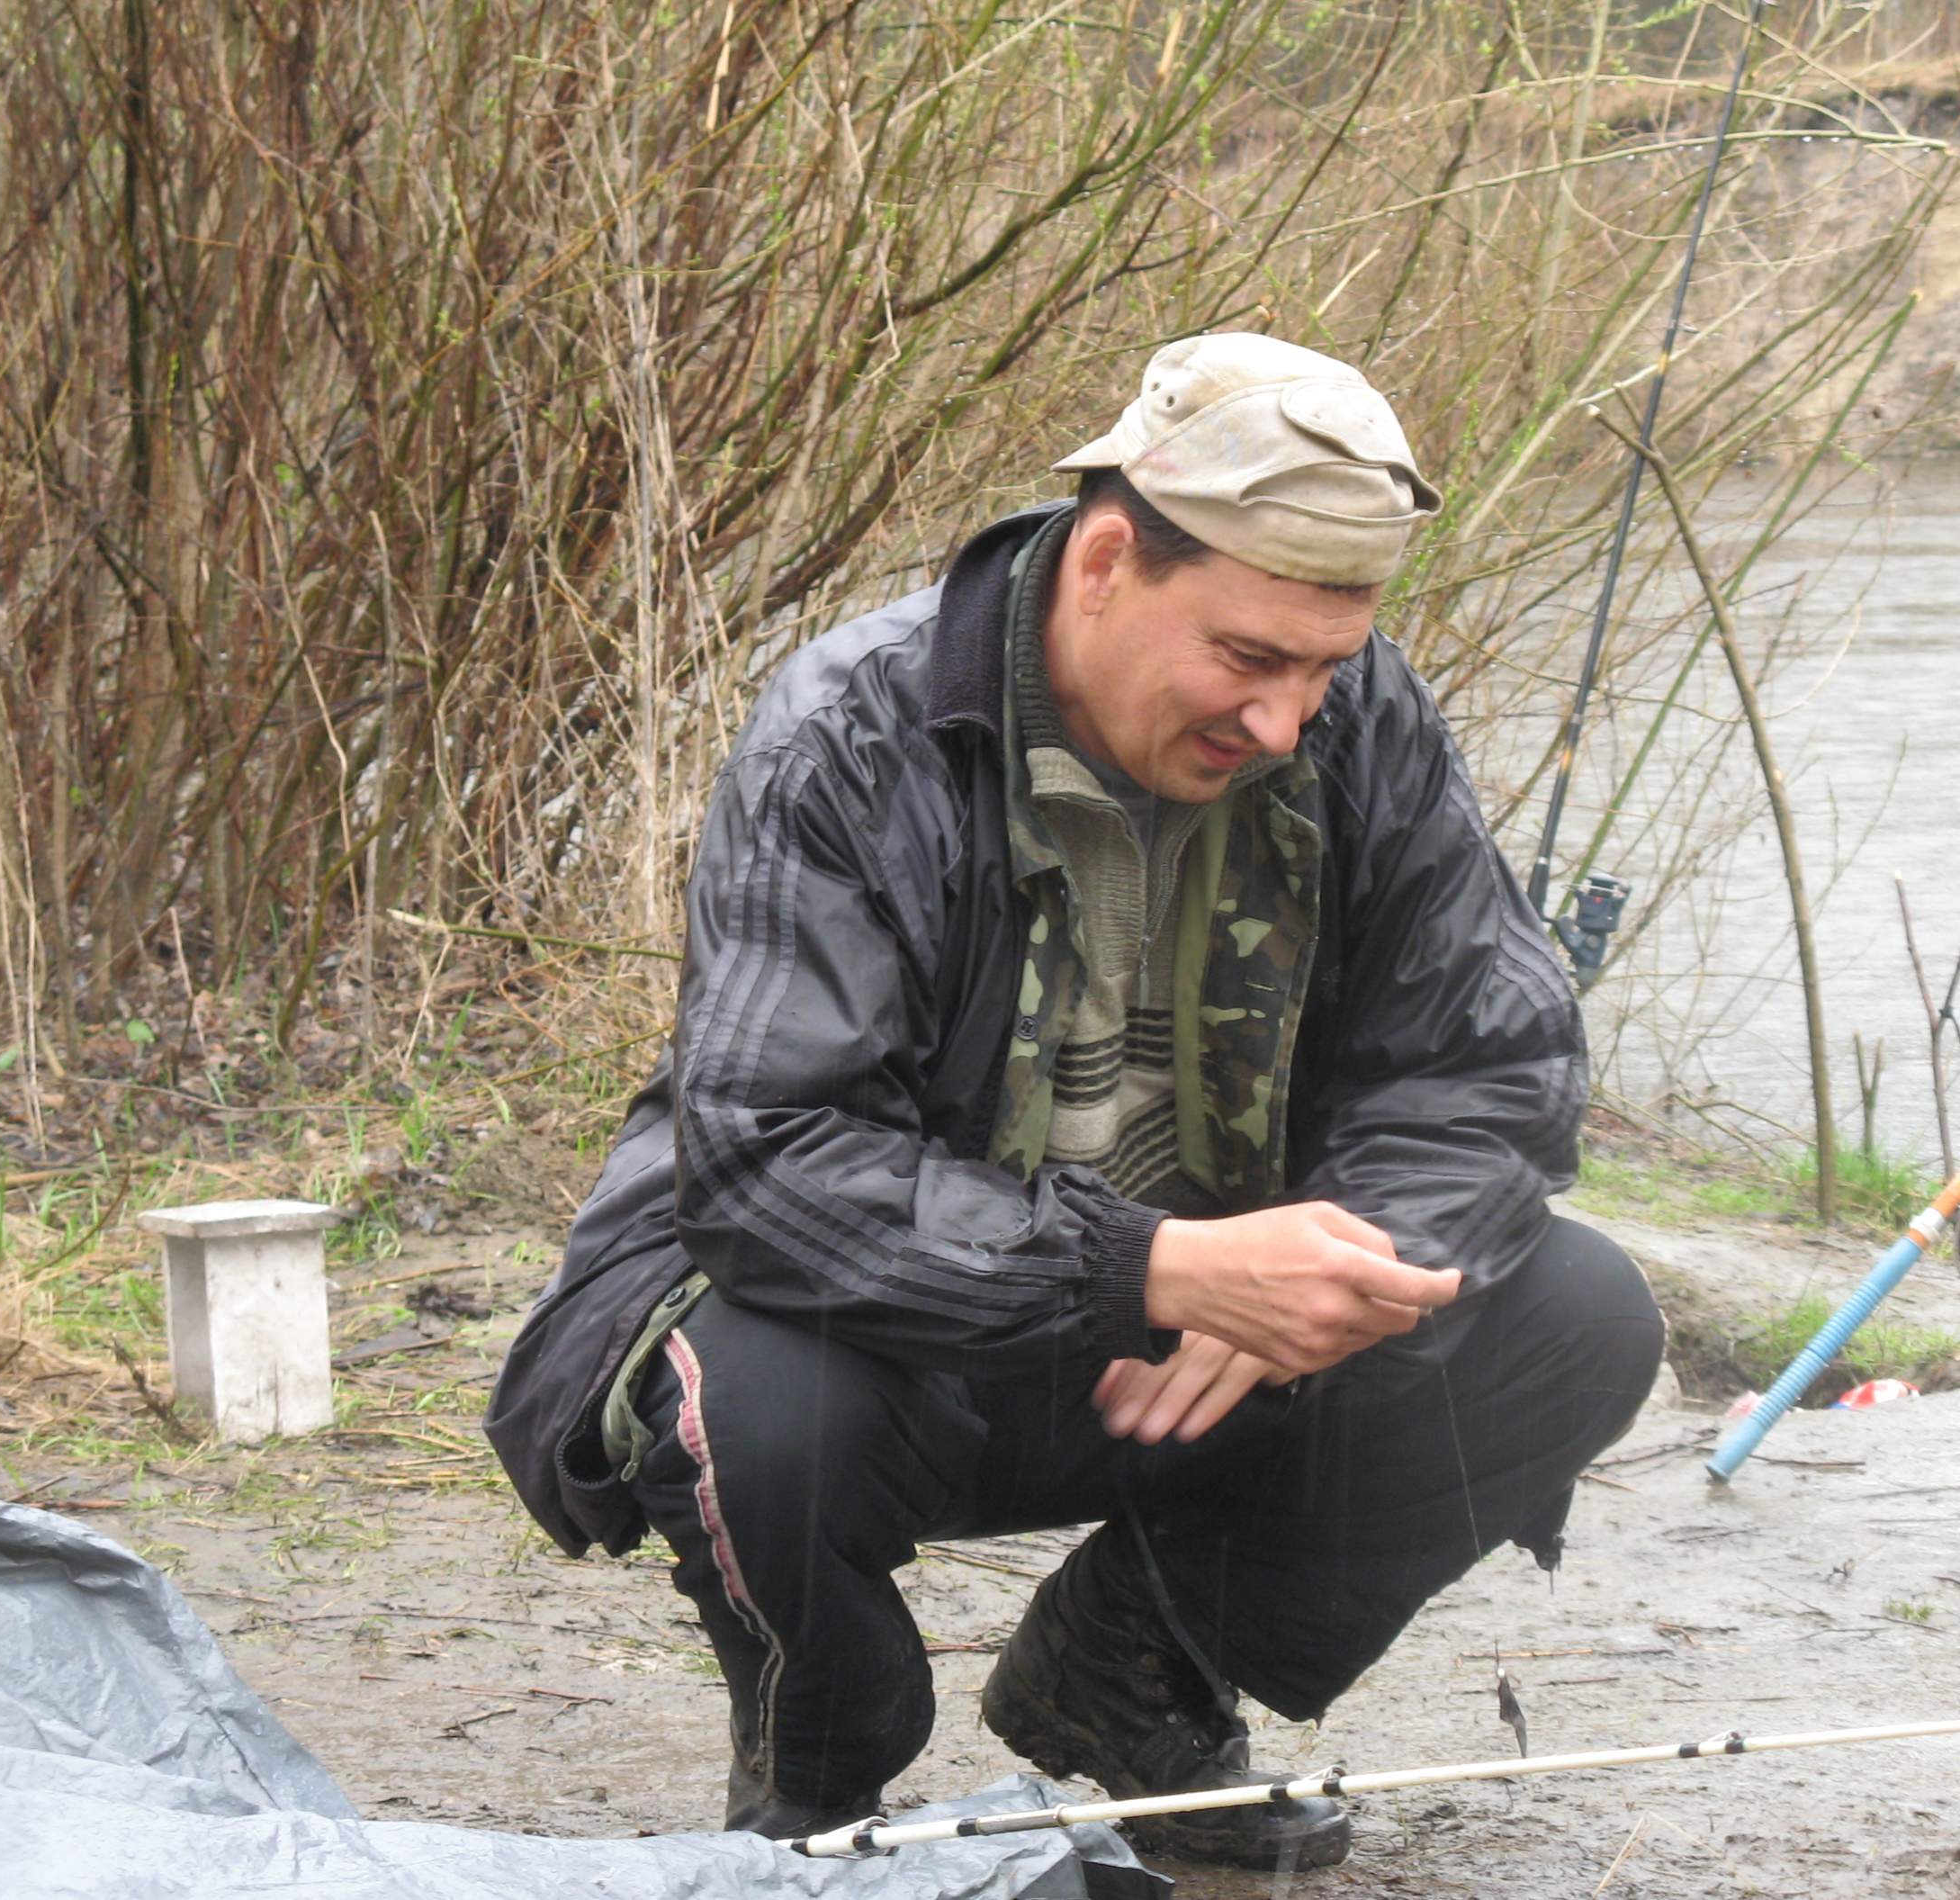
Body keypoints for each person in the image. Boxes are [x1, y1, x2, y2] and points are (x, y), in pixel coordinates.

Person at [485, 335, 1665, 1870]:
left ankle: (1132, 1670)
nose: (1287, 720)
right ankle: (816, 1762)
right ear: (1107, 562)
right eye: (1248, 659)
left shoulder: (1358, 720)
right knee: (752, 1395)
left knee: (1574, 1316)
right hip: (912, 1345)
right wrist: (1154, 1267)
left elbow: (1491, 1066)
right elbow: (770, 1164)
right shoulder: (851, 732)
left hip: (1197, 1356)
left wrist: (1337, 1261)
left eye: (1325, 667)